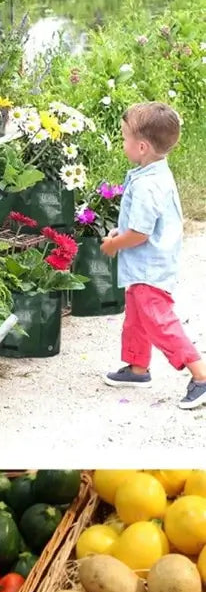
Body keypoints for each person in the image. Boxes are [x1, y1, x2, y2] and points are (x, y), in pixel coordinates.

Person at [101, 101, 206, 409]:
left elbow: (140, 234)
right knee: (136, 317)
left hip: (149, 267)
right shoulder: (151, 172)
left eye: (124, 138)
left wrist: (114, 244)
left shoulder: (148, 185)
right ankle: (137, 368)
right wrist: (120, 235)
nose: (123, 143)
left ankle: (200, 375)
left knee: (158, 321)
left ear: (142, 146)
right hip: (145, 267)